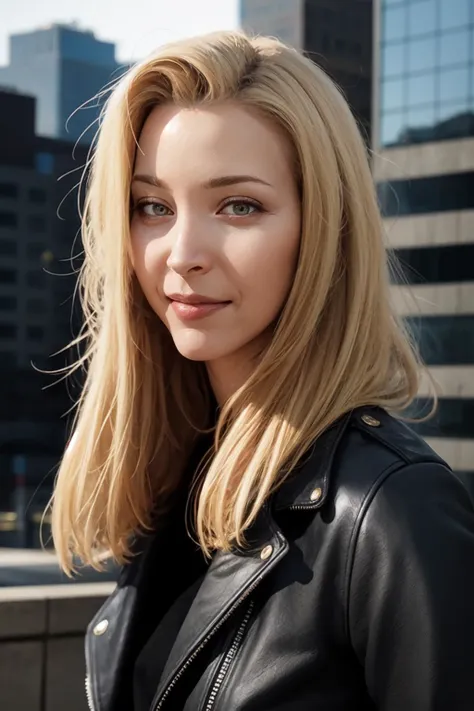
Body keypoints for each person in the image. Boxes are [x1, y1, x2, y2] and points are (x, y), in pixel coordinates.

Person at [51, 31, 474, 711]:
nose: (181, 253)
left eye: (238, 205)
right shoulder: (177, 472)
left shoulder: (391, 510)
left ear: (323, 228)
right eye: (152, 206)